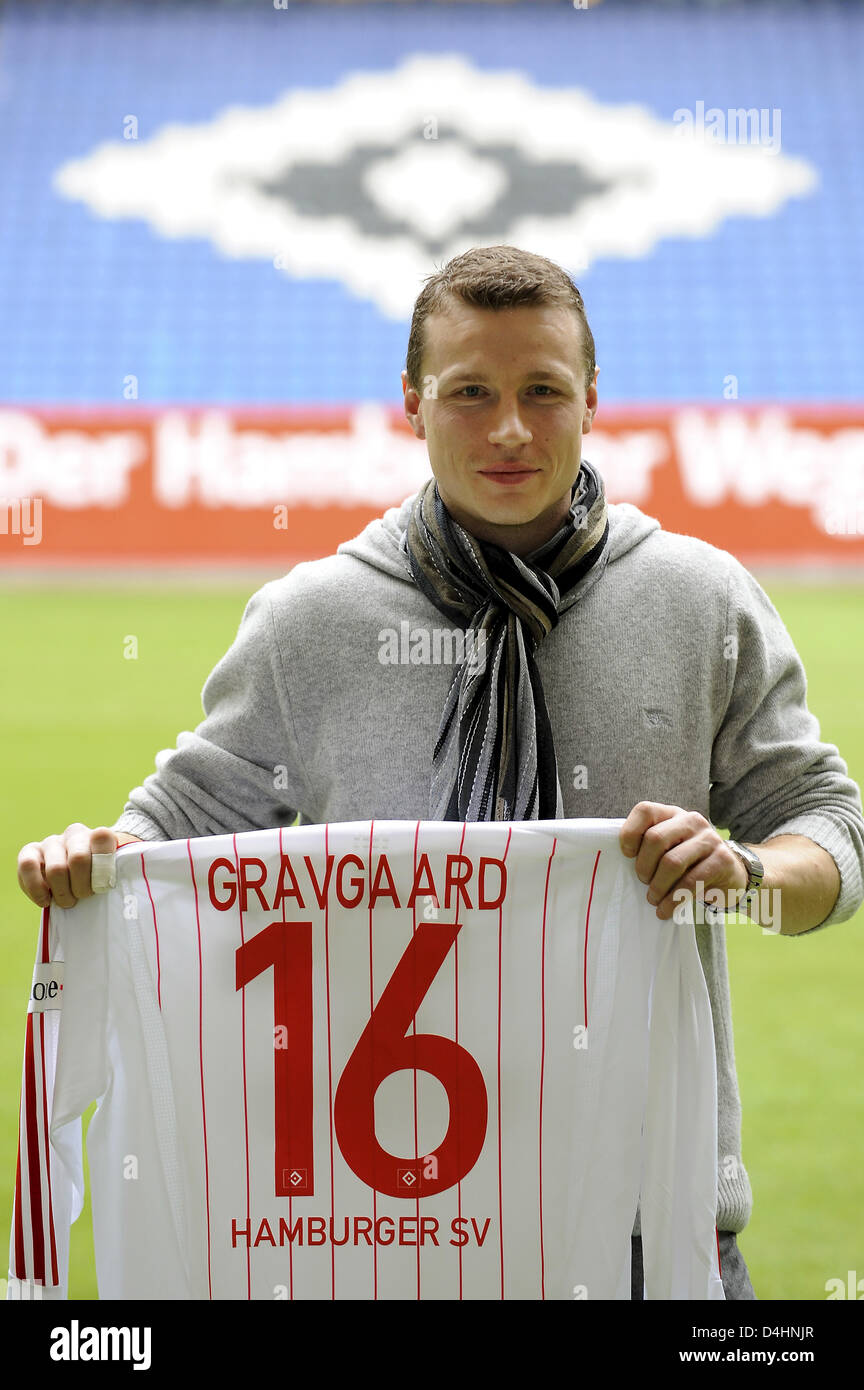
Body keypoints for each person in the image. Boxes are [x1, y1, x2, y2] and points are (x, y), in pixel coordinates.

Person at [17, 245, 864, 1300]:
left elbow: (829, 826)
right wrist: (100, 860)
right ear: (411, 403)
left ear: (594, 399)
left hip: (657, 1235)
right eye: (471, 392)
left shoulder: (701, 601)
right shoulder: (310, 622)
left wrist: (749, 876)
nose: (509, 428)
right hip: (387, 1233)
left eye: (542, 391)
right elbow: (178, 819)